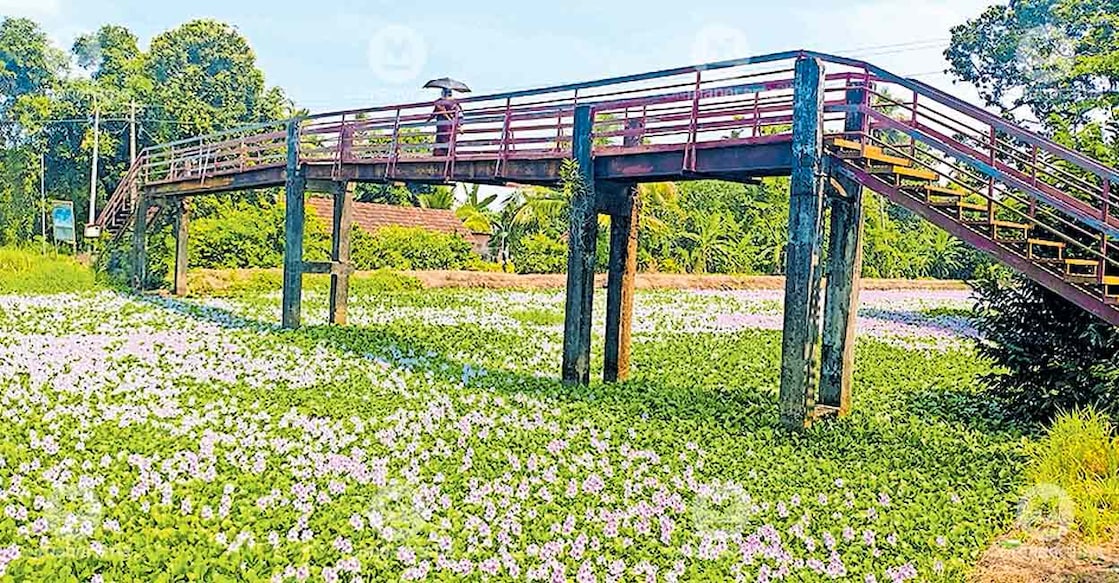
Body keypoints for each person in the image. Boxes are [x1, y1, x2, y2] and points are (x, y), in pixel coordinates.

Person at [429, 88, 462, 157]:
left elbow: (434, 113)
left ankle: (445, 154)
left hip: (443, 125)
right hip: (449, 125)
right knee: (448, 139)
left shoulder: (440, 102)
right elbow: (459, 114)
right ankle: (450, 153)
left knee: (444, 140)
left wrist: (428, 119)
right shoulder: (454, 102)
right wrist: (459, 125)